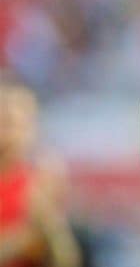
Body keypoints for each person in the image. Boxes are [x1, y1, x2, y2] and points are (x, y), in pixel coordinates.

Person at [0, 75, 82, 267]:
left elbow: (66, 259)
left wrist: (50, 223)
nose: (15, 132)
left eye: (24, 122)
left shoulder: (40, 179)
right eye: (8, 121)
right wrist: (19, 241)